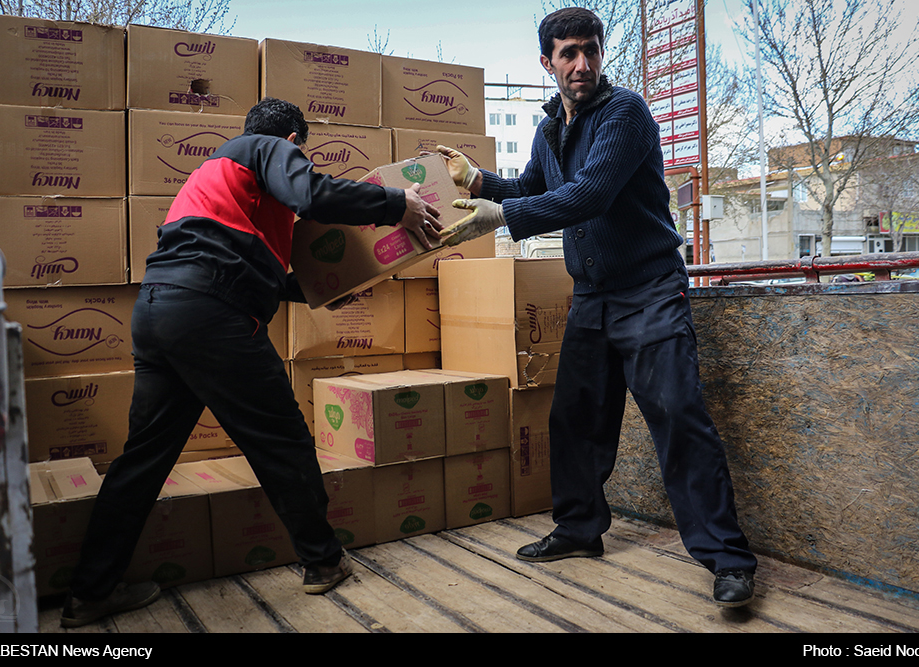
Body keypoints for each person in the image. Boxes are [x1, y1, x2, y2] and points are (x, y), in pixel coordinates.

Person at [60, 97, 443, 628]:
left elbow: (238, 262)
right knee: (281, 439)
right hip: (212, 316)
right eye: (301, 154)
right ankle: (324, 560)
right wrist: (394, 204)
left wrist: (316, 289)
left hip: (158, 311)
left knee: (143, 459)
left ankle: (90, 592)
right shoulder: (267, 148)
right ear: (292, 142)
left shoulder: (216, 177)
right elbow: (310, 195)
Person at [438, 7, 758, 607]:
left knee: (678, 417)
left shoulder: (624, 114)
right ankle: (580, 531)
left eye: (589, 50)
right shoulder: (549, 127)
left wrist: (501, 218)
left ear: (600, 53)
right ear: (547, 63)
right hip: (591, 295)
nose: (581, 63)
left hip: (650, 291)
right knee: (575, 419)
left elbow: (589, 194)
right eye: (567, 53)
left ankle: (728, 559)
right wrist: (481, 183)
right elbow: (537, 186)